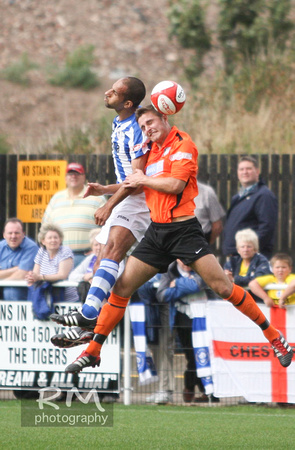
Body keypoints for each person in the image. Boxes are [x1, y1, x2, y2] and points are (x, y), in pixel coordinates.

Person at [60, 105, 293, 374]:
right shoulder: (151, 151)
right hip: (157, 233)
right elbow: (136, 184)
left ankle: (275, 337)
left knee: (223, 287)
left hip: (184, 232)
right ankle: (93, 351)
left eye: (150, 122)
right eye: (143, 126)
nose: (147, 129)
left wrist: (143, 179)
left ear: (165, 117)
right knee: (121, 288)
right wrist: (107, 190)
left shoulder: (184, 143)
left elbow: (174, 185)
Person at [50, 76, 151, 345]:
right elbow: (129, 178)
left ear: (128, 102)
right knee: (104, 258)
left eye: (115, 92)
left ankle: (90, 316)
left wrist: (109, 203)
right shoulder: (118, 124)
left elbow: (138, 180)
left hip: (140, 201)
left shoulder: (137, 128)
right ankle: (89, 324)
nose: (107, 93)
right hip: (129, 196)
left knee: (114, 252)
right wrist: (104, 189)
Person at [157, 259, 218, 403]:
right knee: (192, 356)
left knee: (206, 354)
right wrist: (187, 286)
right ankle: (198, 389)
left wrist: (177, 284)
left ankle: (196, 388)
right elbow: (162, 295)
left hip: (205, 318)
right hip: (183, 320)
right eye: (181, 259)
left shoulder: (203, 266)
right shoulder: (169, 270)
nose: (185, 262)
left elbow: (199, 284)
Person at [42, 162, 106, 267]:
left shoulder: (97, 198)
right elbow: (46, 227)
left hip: (87, 256)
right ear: (65, 178)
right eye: (70, 174)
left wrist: (98, 250)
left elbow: (107, 227)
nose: (73, 176)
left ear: (83, 177)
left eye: (77, 173)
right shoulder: (56, 198)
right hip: (59, 256)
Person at [222, 156, 278, 259]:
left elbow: (267, 227)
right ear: (238, 173)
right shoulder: (238, 197)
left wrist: (249, 250)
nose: (245, 172)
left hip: (252, 257)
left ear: (257, 171)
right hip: (236, 255)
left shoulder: (264, 195)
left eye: (249, 168)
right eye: (241, 169)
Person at [134, 274, 174, 405]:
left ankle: (166, 389)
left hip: (164, 304)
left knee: (164, 348)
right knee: (156, 348)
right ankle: (161, 388)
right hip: (147, 305)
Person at [26, 223, 79, 302]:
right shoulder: (41, 252)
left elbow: (62, 275)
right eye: (50, 238)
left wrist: (40, 277)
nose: (53, 240)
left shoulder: (65, 251)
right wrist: (31, 277)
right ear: (43, 241)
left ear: (60, 240)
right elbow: (35, 274)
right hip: (45, 296)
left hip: (66, 299)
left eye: (56, 237)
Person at [224, 228, 271, 302]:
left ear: (255, 249)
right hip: (235, 301)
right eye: (242, 247)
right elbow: (225, 279)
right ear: (238, 250)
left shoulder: (262, 261)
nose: (245, 249)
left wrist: (234, 279)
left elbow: (257, 279)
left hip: (257, 302)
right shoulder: (233, 261)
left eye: (249, 246)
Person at [0, 217, 38, 300]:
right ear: (4, 234)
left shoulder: (31, 247)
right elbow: (19, 271)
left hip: (24, 288)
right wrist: (15, 269)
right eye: (10, 233)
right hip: (4, 285)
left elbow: (21, 275)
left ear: (23, 234)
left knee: (11, 291)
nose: (13, 236)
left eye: (17, 233)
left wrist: (2, 282)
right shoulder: (0, 246)